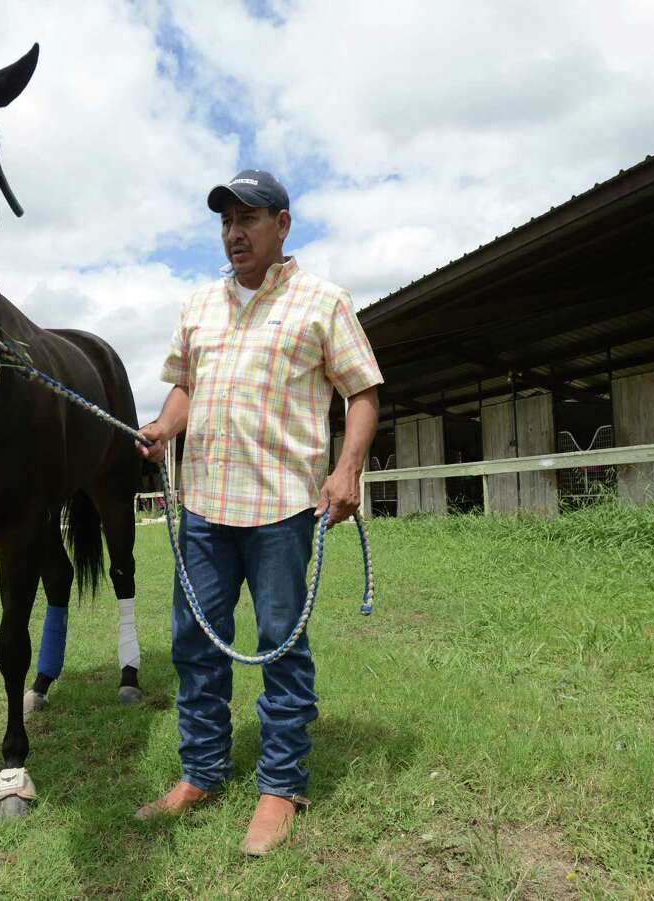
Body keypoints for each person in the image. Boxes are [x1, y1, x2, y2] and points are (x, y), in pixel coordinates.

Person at [133, 169, 383, 855]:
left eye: (248, 218)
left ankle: (279, 785)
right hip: (205, 510)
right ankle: (203, 772)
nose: (234, 232)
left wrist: (347, 468)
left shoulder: (322, 301)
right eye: (225, 221)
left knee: (281, 644)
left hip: (281, 511)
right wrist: (162, 428)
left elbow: (362, 392)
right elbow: (187, 388)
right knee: (195, 644)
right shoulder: (199, 306)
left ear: (283, 224)